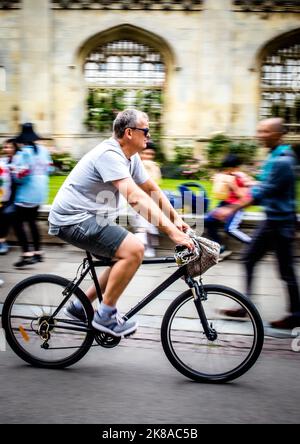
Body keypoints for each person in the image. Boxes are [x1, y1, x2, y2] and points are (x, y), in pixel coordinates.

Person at [48, 109, 194, 338]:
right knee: (134, 249)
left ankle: (79, 307)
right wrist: (173, 234)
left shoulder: (130, 156)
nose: (149, 135)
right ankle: (105, 316)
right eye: (146, 130)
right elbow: (136, 198)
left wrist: (176, 219)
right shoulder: (109, 154)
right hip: (73, 219)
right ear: (129, 133)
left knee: (122, 257)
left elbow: (151, 189)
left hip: (91, 217)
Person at [216, 118, 300, 329]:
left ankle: (296, 314)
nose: (259, 135)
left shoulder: (283, 160)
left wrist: (230, 209)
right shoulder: (275, 156)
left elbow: (262, 193)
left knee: (285, 270)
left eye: (265, 132)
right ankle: (246, 306)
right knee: (249, 259)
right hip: (273, 221)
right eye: (259, 130)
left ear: (278, 134)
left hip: (280, 224)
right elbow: (263, 184)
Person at [12, 123, 52, 267]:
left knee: (17, 222)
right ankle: (38, 252)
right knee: (32, 221)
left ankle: (26, 254)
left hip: (26, 193)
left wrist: (14, 174)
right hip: (40, 193)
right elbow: (49, 169)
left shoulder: (23, 153)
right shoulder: (43, 150)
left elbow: (20, 175)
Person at [205, 154, 252, 260]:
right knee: (208, 220)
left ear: (236, 168)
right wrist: (217, 182)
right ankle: (221, 247)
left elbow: (245, 197)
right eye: (225, 168)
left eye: (229, 168)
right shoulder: (225, 175)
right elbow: (220, 194)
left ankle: (252, 245)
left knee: (230, 229)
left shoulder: (240, 178)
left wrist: (233, 185)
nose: (226, 171)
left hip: (236, 206)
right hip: (224, 204)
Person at [131, 140, 162, 257]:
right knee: (143, 211)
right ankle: (142, 236)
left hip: (150, 198)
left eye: (151, 154)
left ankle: (144, 238)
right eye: (146, 154)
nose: (148, 157)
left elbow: (156, 183)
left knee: (149, 213)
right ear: (140, 154)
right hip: (136, 197)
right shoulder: (136, 165)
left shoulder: (154, 166)